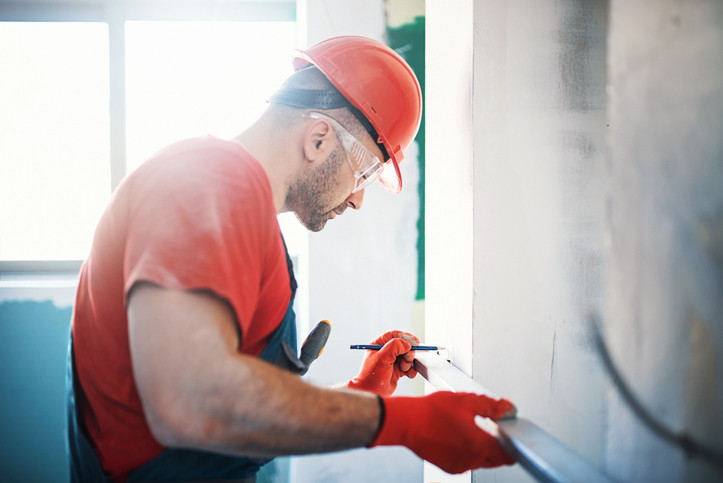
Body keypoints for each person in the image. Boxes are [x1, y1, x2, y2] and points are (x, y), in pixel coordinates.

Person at [66, 35, 517, 482]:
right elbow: (190, 401)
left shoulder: (233, 203)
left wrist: (364, 395)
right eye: (364, 173)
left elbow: (232, 418)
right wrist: (401, 422)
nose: (358, 200)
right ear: (319, 139)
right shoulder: (209, 182)